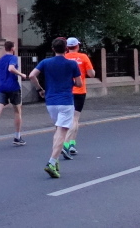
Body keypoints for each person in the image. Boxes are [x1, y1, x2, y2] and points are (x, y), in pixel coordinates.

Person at [29, 38, 82, 178]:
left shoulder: (45, 62)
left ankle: (56, 159)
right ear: (66, 49)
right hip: (66, 102)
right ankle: (52, 162)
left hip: (51, 102)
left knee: (58, 130)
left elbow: (31, 75)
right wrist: (70, 81)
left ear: (53, 49)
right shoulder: (72, 64)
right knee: (62, 133)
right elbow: (79, 83)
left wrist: (39, 89)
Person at [0, 40, 27, 148]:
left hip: (1, 87)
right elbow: (11, 68)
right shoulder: (13, 58)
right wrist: (21, 74)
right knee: (17, 111)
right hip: (13, 87)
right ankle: (17, 137)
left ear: (5, 48)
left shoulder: (0, 60)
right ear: (12, 48)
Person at [62, 37, 95, 158]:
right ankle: (66, 144)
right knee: (75, 119)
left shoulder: (64, 57)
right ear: (77, 46)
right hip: (80, 91)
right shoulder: (83, 57)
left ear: (67, 47)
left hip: (66, 91)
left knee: (69, 118)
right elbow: (92, 74)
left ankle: (72, 144)